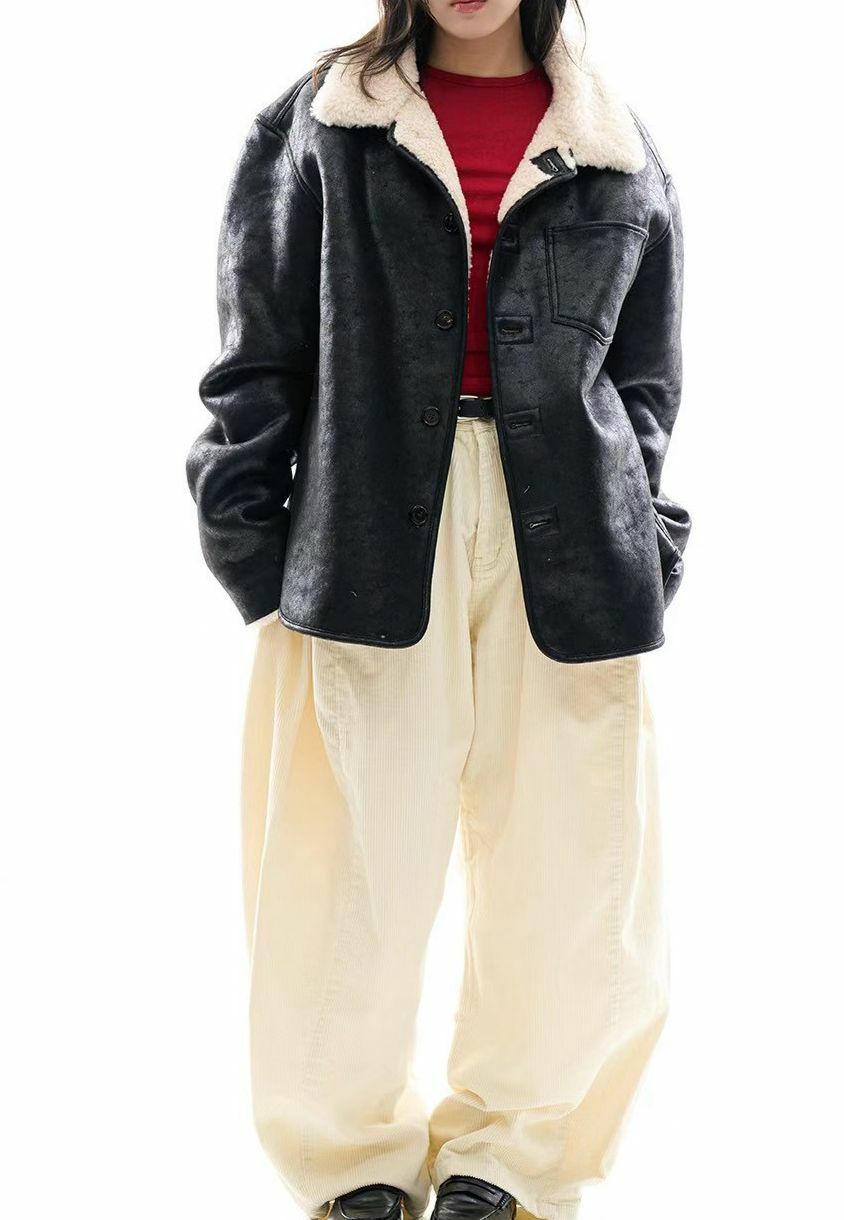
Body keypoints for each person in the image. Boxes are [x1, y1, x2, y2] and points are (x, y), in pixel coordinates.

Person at [185, 2, 692, 1219]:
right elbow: (257, 356)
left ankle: (506, 1161)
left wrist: (643, 537)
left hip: (568, 546)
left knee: (566, 862)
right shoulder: (321, 126)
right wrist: (255, 549)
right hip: (365, 527)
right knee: (343, 858)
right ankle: (350, 1162)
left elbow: (646, 385)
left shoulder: (613, 144)